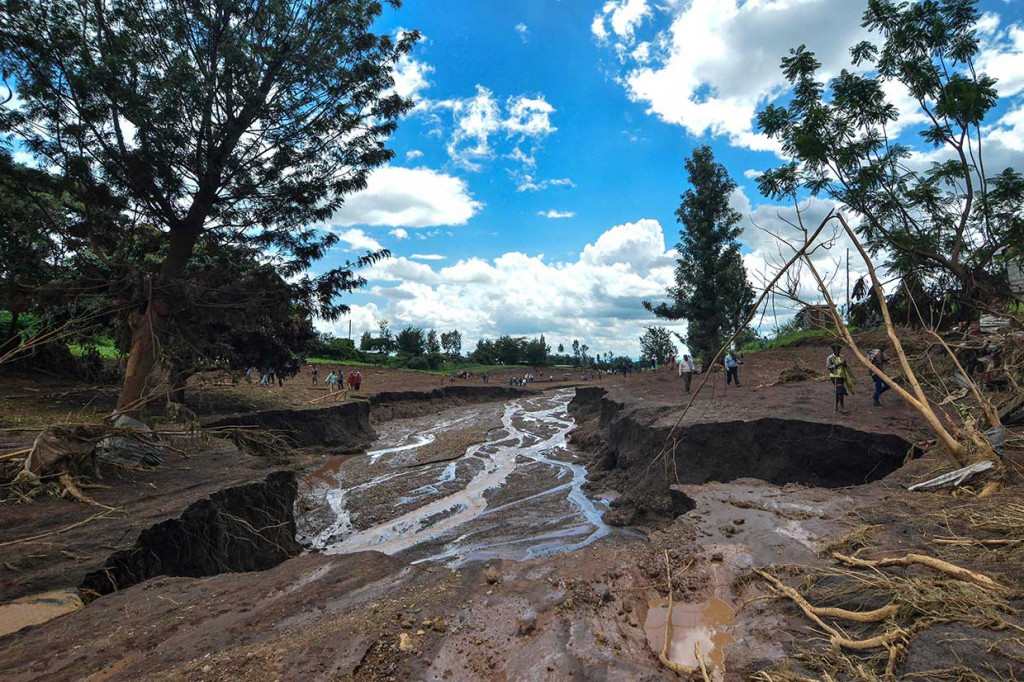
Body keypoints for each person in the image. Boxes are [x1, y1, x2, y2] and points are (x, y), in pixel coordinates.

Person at [826, 343, 855, 413]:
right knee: (841, 391)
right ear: (833, 350)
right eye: (836, 350)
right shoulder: (830, 358)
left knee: (838, 392)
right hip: (834, 376)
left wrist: (844, 364)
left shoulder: (842, 357)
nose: (837, 351)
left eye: (838, 350)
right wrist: (837, 365)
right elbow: (828, 367)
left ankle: (836, 406)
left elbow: (844, 366)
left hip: (841, 376)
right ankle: (842, 407)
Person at [868, 342, 890, 407]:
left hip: (874, 371)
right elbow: (879, 364)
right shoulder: (878, 353)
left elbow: (882, 359)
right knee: (879, 386)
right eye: (883, 347)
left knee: (887, 385)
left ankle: (875, 396)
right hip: (876, 372)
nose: (884, 348)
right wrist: (883, 374)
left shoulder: (877, 352)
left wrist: (887, 359)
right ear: (880, 347)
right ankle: (876, 401)